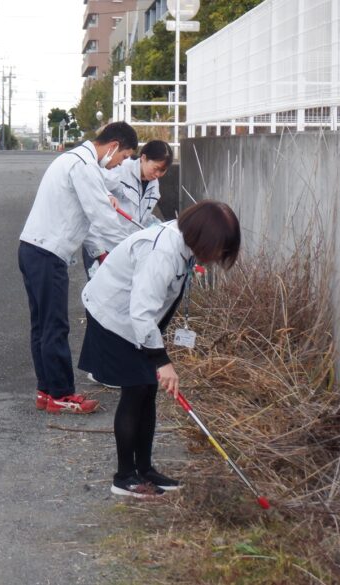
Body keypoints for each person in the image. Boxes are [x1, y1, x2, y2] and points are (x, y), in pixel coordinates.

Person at [78, 200, 241, 498]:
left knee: (147, 390)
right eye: (220, 248)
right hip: (112, 315)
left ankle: (145, 470)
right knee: (136, 388)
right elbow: (141, 312)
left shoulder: (184, 246)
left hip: (135, 321)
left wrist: (157, 355)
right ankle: (124, 478)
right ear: (205, 236)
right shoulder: (162, 252)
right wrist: (161, 360)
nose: (219, 256)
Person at [18, 121, 139, 414]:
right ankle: (61, 394)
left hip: (33, 249)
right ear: (113, 146)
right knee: (55, 325)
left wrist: (102, 252)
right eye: (123, 157)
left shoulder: (73, 160)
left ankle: (46, 391)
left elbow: (90, 220)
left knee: (43, 326)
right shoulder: (84, 167)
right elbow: (102, 218)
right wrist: (134, 252)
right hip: (47, 253)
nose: (119, 164)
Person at [82, 140, 174, 280]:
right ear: (143, 158)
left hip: (123, 249)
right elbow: (91, 201)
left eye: (163, 171)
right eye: (156, 168)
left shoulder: (154, 185)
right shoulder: (120, 170)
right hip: (101, 245)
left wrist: (161, 228)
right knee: (98, 291)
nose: (158, 174)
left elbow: (143, 217)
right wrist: (99, 251)